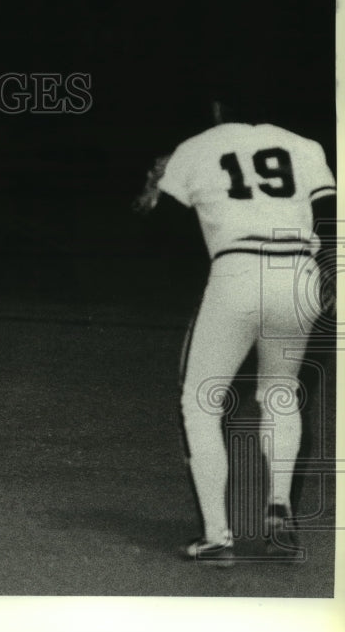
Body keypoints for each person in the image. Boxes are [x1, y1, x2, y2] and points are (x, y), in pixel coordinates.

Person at [135, 98, 336, 565]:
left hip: (238, 269)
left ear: (217, 109)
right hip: (300, 272)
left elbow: (157, 232)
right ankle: (280, 509)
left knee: (199, 403)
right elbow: (330, 215)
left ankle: (216, 536)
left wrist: (153, 191)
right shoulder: (303, 144)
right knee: (282, 394)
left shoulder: (197, 146)